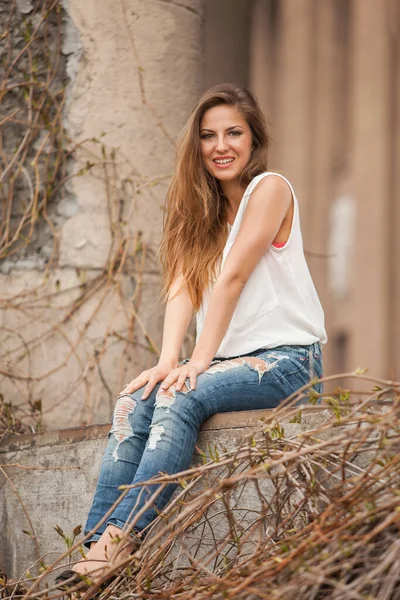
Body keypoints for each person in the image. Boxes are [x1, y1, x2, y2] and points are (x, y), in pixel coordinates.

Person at [55, 83, 326, 591]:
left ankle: (122, 539)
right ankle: (95, 550)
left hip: (288, 361)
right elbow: (183, 288)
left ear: (253, 139)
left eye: (233, 133)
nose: (221, 146)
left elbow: (233, 279)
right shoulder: (197, 212)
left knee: (182, 395)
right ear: (196, 145)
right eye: (208, 135)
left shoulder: (271, 189)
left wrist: (196, 363)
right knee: (134, 399)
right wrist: (166, 360)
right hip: (226, 364)